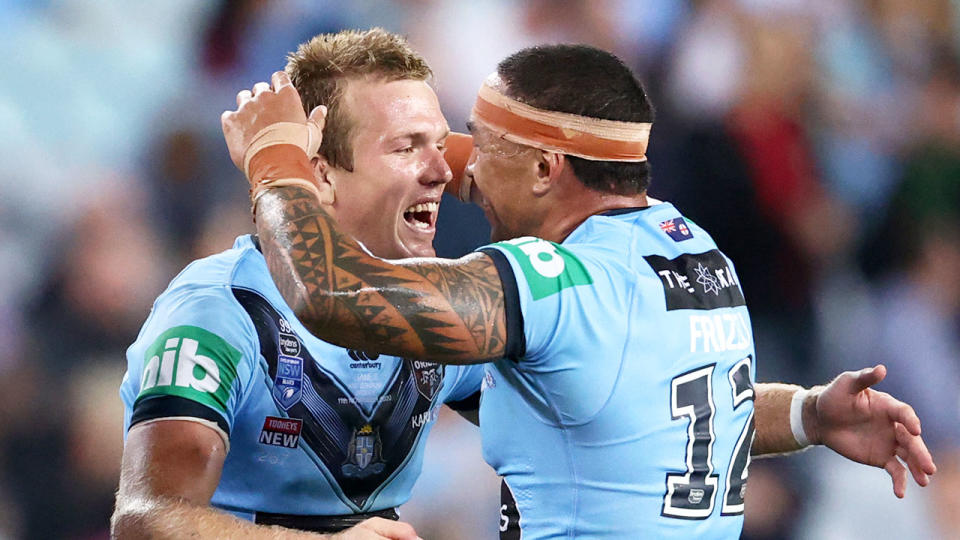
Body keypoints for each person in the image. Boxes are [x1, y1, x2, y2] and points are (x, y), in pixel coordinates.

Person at [222, 41, 936, 538]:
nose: (452, 168)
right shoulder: (692, 251)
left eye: (477, 143)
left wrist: (276, 160)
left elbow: (334, 297)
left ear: (544, 171)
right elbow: (681, 416)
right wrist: (809, 414)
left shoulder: (556, 284)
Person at [112, 29, 484, 539]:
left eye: (441, 146)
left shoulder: (434, 299)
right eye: (407, 147)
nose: (442, 171)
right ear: (321, 175)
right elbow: (145, 521)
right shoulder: (218, 312)